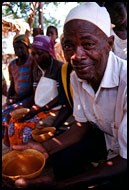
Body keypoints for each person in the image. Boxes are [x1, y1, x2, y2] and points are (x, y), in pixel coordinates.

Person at [12, 2, 127, 189]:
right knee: (62, 161)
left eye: (88, 44)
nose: (76, 56)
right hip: (107, 139)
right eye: (69, 46)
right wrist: (46, 147)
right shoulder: (77, 78)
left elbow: (125, 160)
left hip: (124, 156)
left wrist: (62, 185)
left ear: (109, 44)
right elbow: (82, 124)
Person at [6, 35, 64, 148]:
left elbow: (60, 98)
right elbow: (35, 94)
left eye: (40, 54)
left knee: (29, 128)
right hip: (38, 108)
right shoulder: (36, 70)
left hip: (54, 109)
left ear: (49, 51)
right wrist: (26, 109)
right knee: (14, 121)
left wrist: (35, 112)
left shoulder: (59, 68)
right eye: (33, 54)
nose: (36, 57)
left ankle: (33, 156)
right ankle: (18, 155)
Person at [2, 34, 35, 146]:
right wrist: (9, 98)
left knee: (9, 113)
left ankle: (12, 142)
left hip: (29, 97)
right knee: (3, 110)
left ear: (27, 48)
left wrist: (16, 99)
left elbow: (33, 87)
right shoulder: (12, 65)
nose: (19, 50)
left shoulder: (32, 61)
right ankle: (7, 139)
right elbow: (12, 84)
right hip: (17, 98)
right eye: (16, 48)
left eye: (21, 48)